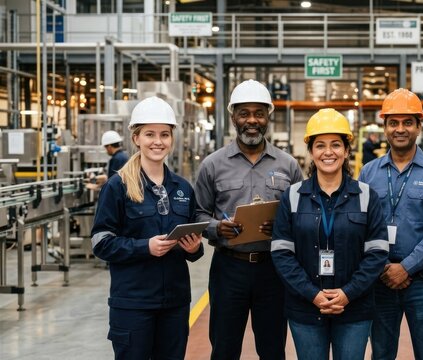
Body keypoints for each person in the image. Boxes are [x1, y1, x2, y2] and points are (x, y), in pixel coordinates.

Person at [194, 79, 303, 360]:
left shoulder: (288, 165)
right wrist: (218, 228)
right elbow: (197, 214)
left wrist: (281, 228)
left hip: (274, 271)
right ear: (233, 117)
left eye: (258, 113)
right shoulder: (213, 165)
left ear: (268, 116)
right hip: (229, 269)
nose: (251, 120)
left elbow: (302, 214)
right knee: (224, 347)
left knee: (272, 348)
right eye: (244, 113)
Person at [91, 96, 204, 359]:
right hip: (133, 304)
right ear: (136, 138)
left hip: (175, 303)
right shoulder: (117, 186)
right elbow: (100, 241)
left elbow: (192, 250)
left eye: (165, 134)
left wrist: (194, 249)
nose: (158, 141)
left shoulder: (183, 188)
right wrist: (146, 247)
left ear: (172, 139)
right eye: (149, 134)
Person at [271, 108, 389, 360]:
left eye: (336, 145)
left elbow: (377, 253)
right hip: (306, 307)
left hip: (354, 308)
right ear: (311, 152)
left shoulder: (367, 196)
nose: (328, 152)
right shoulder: (292, 197)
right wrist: (312, 294)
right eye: (320, 145)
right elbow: (282, 254)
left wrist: (348, 293)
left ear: (346, 151)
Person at [359, 88, 423, 360]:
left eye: (407, 122)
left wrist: (406, 267)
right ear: (385, 126)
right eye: (393, 122)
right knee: (381, 353)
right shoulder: (369, 172)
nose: (400, 129)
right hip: (380, 278)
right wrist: (384, 267)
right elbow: (363, 226)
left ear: (419, 126)